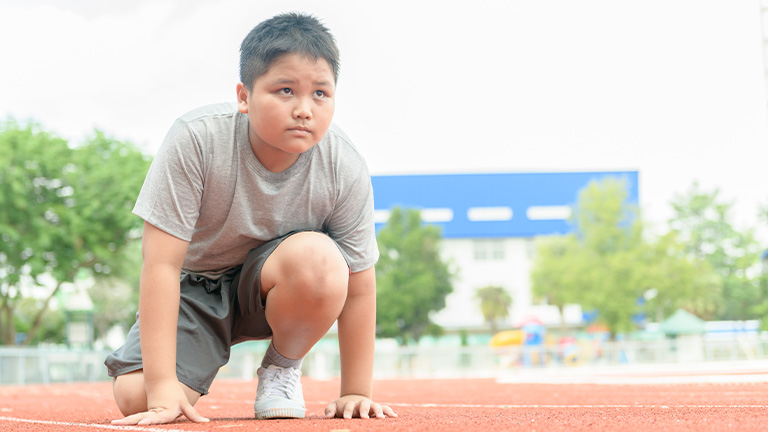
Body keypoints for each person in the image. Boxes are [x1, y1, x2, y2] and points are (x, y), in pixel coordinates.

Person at [105, 12, 396, 424]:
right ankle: (198, 354)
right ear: (243, 96)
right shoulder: (196, 139)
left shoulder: (343, 165)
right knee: (139, 397)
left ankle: (281, 367)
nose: (303, 109)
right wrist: (163, 385)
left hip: (279, 285)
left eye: (320, 94)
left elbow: (360, 286)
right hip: (196, 289)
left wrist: (355, 391)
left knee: (321, 259)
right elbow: (161, 265)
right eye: (284, 90)